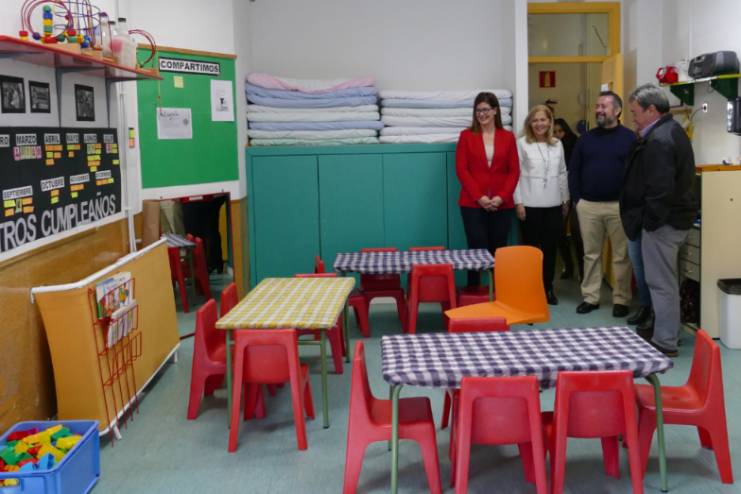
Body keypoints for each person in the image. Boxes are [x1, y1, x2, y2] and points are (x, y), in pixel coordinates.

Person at [621, 83, 698, 357]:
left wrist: (650, 222)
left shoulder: (659, 140)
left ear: (651, 110)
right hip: (678, 219)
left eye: (635, 112)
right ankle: (668, 332)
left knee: (660, 283)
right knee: (669, 281)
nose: (633, 118)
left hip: (664, 223)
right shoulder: (673, 130)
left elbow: (660, 189)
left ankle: (665, 341)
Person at [568, 91, 635, 317]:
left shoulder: (630, 139)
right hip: (588, 206)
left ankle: (621, 299)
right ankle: (591, 297)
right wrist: (577, 200)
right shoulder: (585, 139)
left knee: (621, 256)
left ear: (617, 110)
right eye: (597, 106)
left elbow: (636, 173)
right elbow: (574, 171)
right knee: (591, 255)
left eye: (604, 106)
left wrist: (628, 201)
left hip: (619, 206)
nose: (598, 110)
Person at [456, 91, 520, 287]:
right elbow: (462, 170)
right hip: (472, 204)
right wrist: (480, 197)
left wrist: (501, 197)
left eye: (485, 109)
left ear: (495, 111)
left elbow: (514, 171)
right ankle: (473, 292)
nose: (481, 114)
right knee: (475, 250)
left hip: (502, 205)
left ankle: (499, 292)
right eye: (478, 110)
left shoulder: (507, 137)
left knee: (498, 250)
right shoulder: (466, 136)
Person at [514, 105, 569, 305]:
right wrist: (518, 202)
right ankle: (531, 289)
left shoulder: (557, 144)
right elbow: (516, 175)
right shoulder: (522, 143)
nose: (539, 124)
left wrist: (565, 199)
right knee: (531, 251)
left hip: (554, 204)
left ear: (549, 122)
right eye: (535, 120)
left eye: (543, 119)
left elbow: (562, 172)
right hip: (529, 205)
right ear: (530, 123)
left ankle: (547, 288)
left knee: (550, 249)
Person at [553, 118, 583, 280]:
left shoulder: (575, 143)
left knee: (577, 232)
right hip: (557, 193)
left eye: (561, 131)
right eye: (555, 132)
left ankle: (582, 270)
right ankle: (568, 266)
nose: (558, 135)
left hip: (575, 192)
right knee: (559, 232)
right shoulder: (551, 146)